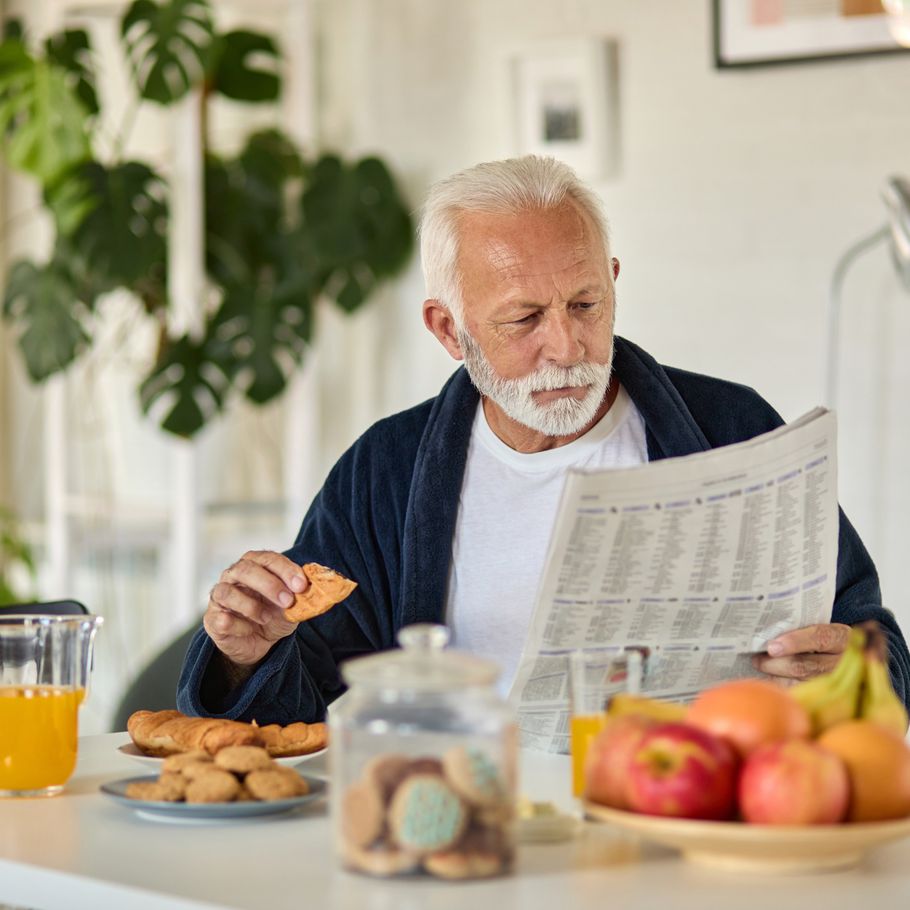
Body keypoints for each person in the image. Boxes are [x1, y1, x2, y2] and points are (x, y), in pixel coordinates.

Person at [177, 155, 910, 725]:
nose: (567, 346)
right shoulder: (386, 472)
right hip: (468, 825)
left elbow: (875, 641)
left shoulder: (733, 429)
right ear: (447, 330)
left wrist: (857, 665)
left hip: (695, 818)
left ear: (614, 283)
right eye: (523, 319)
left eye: (586, 304)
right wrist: (249, 654)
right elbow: (295, 708)